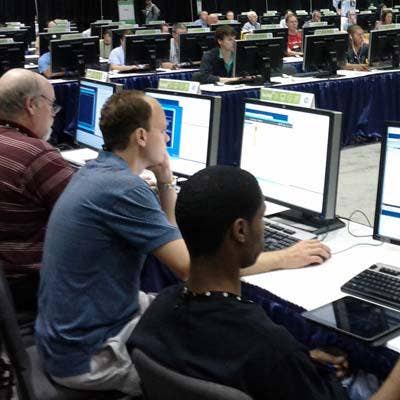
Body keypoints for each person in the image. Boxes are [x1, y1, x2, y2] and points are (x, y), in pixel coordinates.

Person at [132, 165, 400, 400]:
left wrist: (302, 361)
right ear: (240, 230)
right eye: (261, 217)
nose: (263, 227)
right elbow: (265, 362)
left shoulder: (158, 310)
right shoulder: (268, 345)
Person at [35, 90, 190, 396]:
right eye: (163, 130)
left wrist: (164, 177)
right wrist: (280, 258)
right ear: (141, 136)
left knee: (178, 306)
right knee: (206, 350)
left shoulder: (95, 170)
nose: (168, 137)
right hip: (87, 357)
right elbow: (189, 268)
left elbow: (169, 232)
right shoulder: (124, 188)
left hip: (63, 337)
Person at [0, 69, 72, 308]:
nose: (53, 114)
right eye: (51, 105)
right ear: (31, 105)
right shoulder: (37, 156)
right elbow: (86, 216)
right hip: (28, 287)